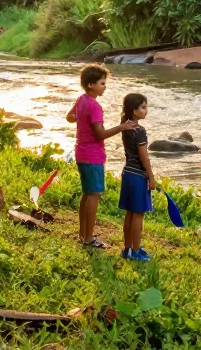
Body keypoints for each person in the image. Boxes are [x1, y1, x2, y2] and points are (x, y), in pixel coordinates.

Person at [66, 64, 136, 249]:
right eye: (102, 83)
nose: (105, 86)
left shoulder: (81, 100)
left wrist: (80, 119)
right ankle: (88, 238)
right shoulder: (95, 106)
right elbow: (100, 134)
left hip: (81, 152)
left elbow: (69, 117)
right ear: (91, 85)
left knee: (87, 194)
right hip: (93, 156)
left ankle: (83, 235)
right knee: (94, 195)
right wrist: (122, 127)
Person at [119, 93, 155, 262]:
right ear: (134, 110)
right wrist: (151, 176)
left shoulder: (125, 127)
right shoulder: (140, 131)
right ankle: (136, 250)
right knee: (138, 214)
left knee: (129, 213)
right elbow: (144, 156)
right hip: (138, 176)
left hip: (127, 173)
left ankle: (127, 249)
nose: (146, 110)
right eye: (143, 107)